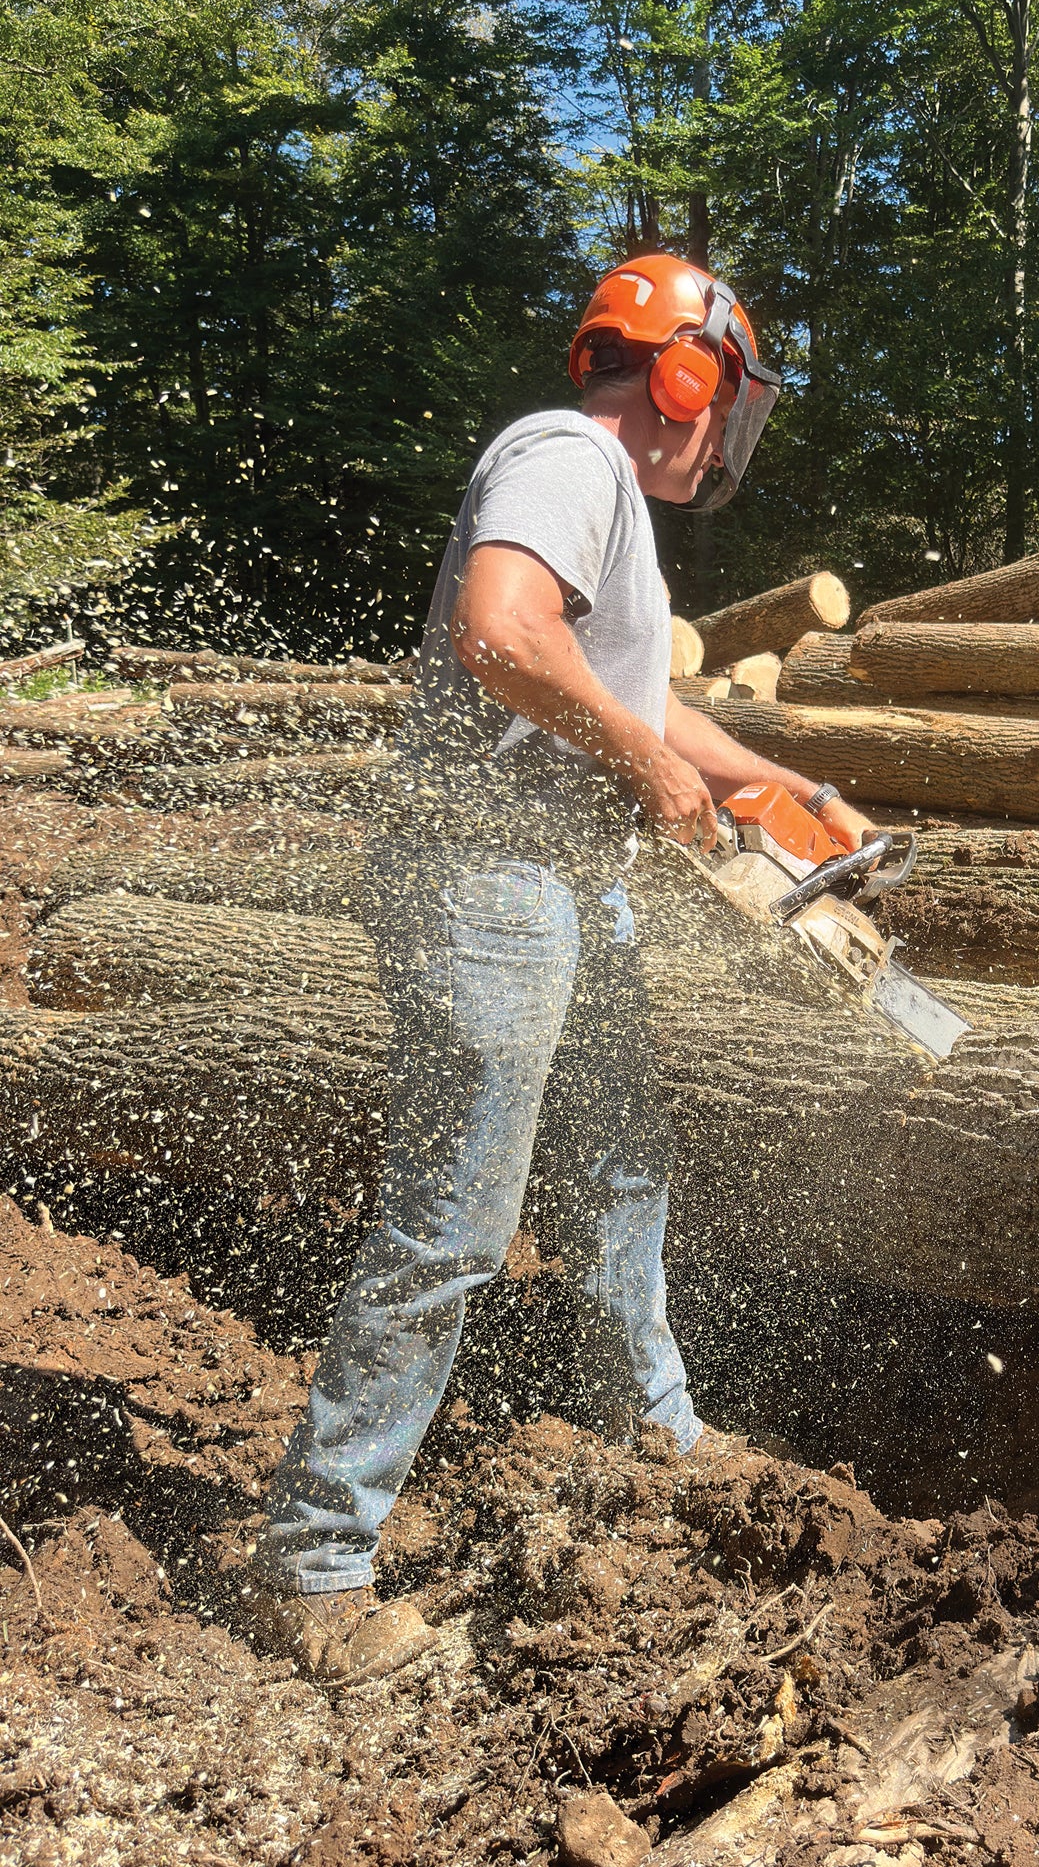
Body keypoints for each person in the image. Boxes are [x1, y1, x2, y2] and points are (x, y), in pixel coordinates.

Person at [247, 255, 870, 1683]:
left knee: (621, 1167)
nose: (729, 436)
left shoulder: (611, 514)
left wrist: (781, 783)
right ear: (688, 380)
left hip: (565, 884)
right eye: (731, 402)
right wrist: (650, 762)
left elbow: (627, 696)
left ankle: (653, 1425)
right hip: (487, 877)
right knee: (456, 1218)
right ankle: (318, 1562)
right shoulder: (563, 457)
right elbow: (502, 634)